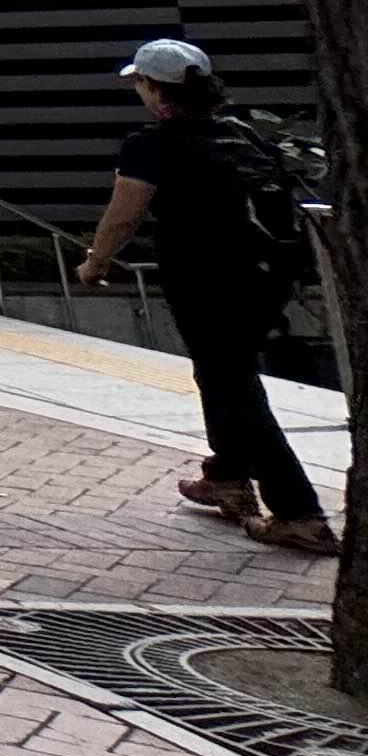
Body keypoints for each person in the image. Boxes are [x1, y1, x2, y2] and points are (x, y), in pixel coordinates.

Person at [77, 38, 341, 558]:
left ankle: (299, 514)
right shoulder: (241, 133)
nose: (139, 92)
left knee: (234, 387)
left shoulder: (151, 144)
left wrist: (95, 263)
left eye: (140, 83)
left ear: (155, 89)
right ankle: (226, 477)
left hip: (206, 284)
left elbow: (124, 215)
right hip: (266, 278)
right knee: (221, 376)